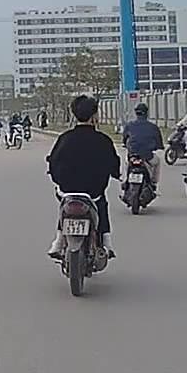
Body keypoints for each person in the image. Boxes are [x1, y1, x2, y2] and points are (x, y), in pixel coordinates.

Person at [46, 95, 121, 260]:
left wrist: (57, 178)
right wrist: (116, 174)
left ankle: (58, 241)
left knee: (65, 205)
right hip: (94, 191)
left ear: (74, 114)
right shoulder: (103, 140)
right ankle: (107, 243)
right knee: (101, 204)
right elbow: (114, 164)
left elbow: (53, 162)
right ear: (95, 115)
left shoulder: (65, 138)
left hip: (67, 189)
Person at [120, 102, 164, 188]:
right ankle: (153, 182)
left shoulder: (129, 125)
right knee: (157, 161)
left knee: (126, 162)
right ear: (146, 113)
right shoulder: (153, 127)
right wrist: (158, 147)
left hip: (132, 155)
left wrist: (126, 145)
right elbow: (159, 143)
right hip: (147, 156)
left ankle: (125, 180)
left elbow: (124, 139)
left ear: (136, 113)